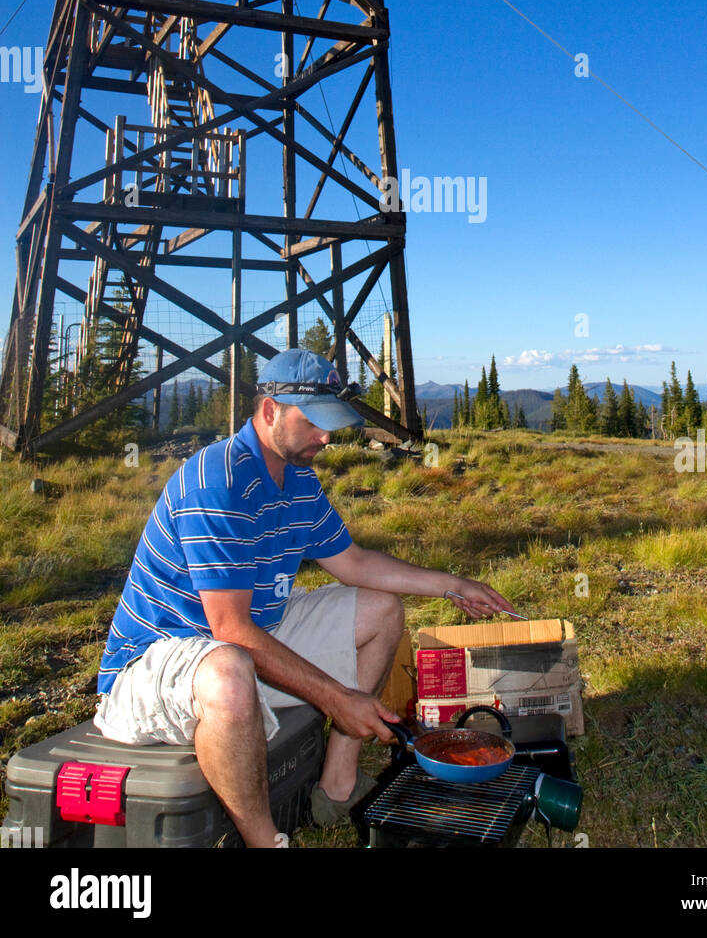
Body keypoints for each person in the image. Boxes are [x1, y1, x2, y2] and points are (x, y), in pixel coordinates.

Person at [94, 347, 516, 847]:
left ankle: (337, 784)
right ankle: (264, 840)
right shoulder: (220, 483)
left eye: (331, 422)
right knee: (230, 670)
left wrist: (453, 584)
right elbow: (230, 631)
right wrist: (339, 698)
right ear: (269, 410)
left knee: (381, 610)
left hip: (249, 638)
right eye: (314, 422)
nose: (327, 436)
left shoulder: (298, 481)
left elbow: (354, 564)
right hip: (156, 664)